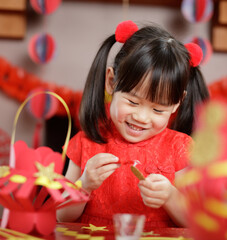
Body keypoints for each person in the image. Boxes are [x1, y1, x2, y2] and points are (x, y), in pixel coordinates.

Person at [57, 20, 209, 228]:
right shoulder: (86, 142)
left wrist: (170, 197)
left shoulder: (180, 148)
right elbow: (62, 217)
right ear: (111, 82)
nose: (142, 117)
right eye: (133, 102)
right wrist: (84, 185)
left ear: (176, 104)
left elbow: (196, 222)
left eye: (157, 110)